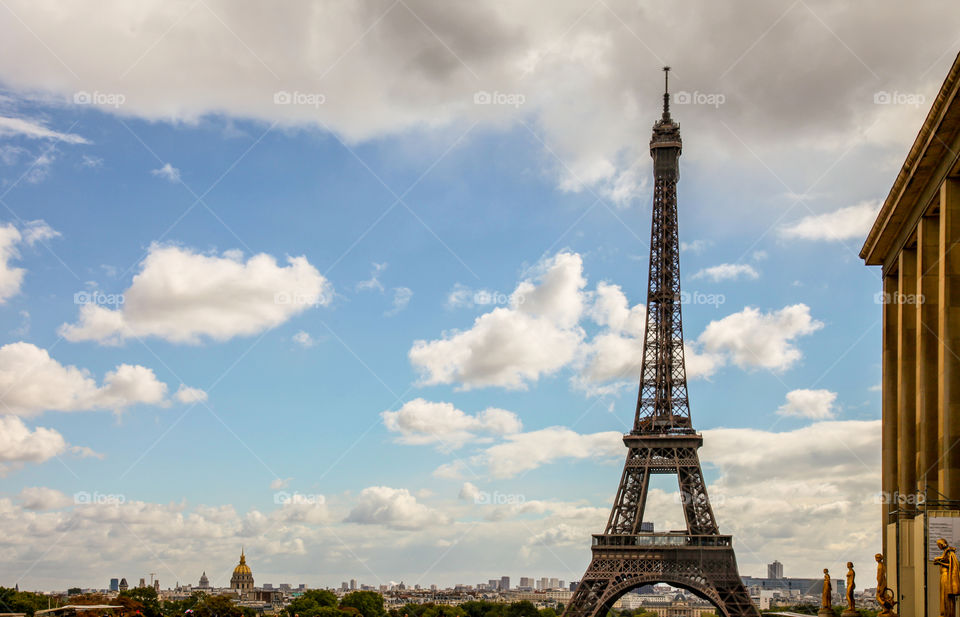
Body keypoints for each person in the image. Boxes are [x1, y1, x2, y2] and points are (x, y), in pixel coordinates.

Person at [932, 538, 960, 617]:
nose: (939, 547)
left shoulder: (949, 552)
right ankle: (944, 613)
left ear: (941, 544)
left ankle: (948, 614)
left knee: (947, 597)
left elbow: (952, 565)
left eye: (939, 545)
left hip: (947, 576)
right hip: (943, 577)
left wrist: (940, 562)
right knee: (943, 597)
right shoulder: (946, 552)